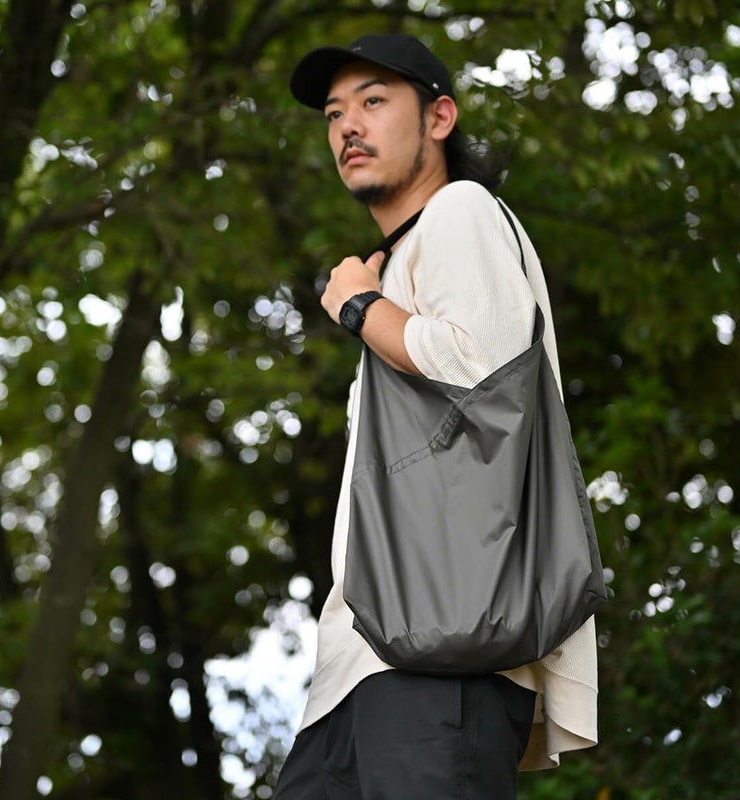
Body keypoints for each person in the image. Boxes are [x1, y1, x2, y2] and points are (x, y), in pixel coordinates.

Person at [275, 34, 598, 800]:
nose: (349, 126)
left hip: (439, 651)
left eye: (374, 101)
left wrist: (360, 306)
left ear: (439, 117)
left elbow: (482, 370)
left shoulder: (460, 210)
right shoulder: (411, 252)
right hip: (371, 657)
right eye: (334, 114)